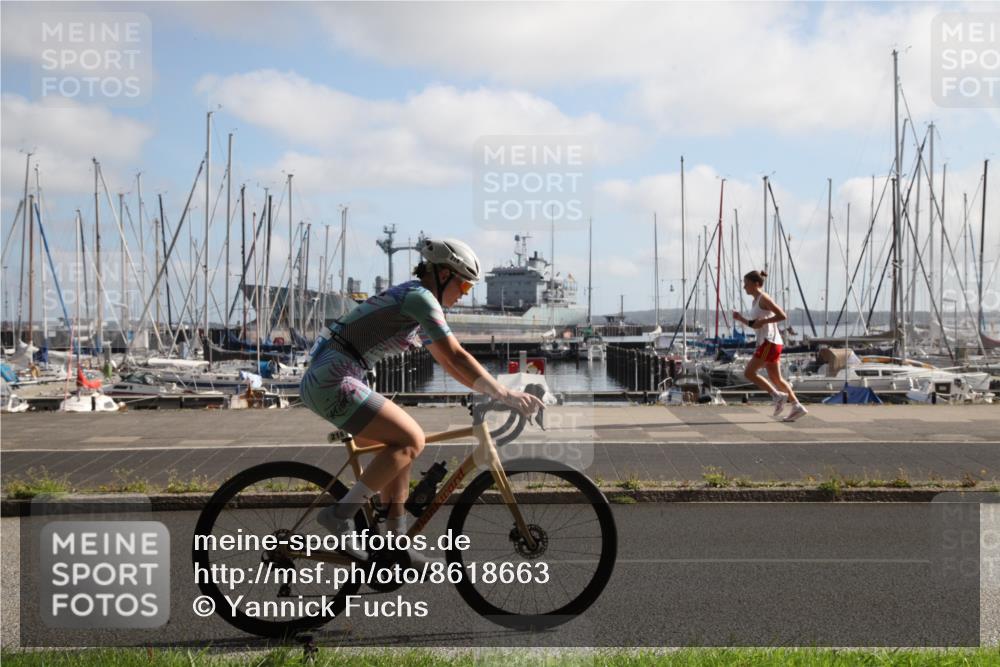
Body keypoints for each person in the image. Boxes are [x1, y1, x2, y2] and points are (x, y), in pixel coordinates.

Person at [299, 238, 544, 560]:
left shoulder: (415, 298)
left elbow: (446, 361)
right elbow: (456, 355)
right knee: (411, 438)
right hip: (334, 379)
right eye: (465, 286)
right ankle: (339, 515)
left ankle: (396, 544)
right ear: (444, 275)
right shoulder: (420, 298)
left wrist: (486, 390)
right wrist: (505, 393)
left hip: (334, 377)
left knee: (401, 448)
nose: (463, 295)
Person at [732, 269, 807, 422]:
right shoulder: (755, 301)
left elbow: (782, 315)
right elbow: (756, 325)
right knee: (776, 378)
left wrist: (764, 321)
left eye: (746, 284)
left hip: (770, 342)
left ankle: (777, 396)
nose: (744, 287)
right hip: (771, 342)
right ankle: (797, 406)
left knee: (749, 373)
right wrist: (741, 318)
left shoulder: (764, 298)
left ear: (756, 284)